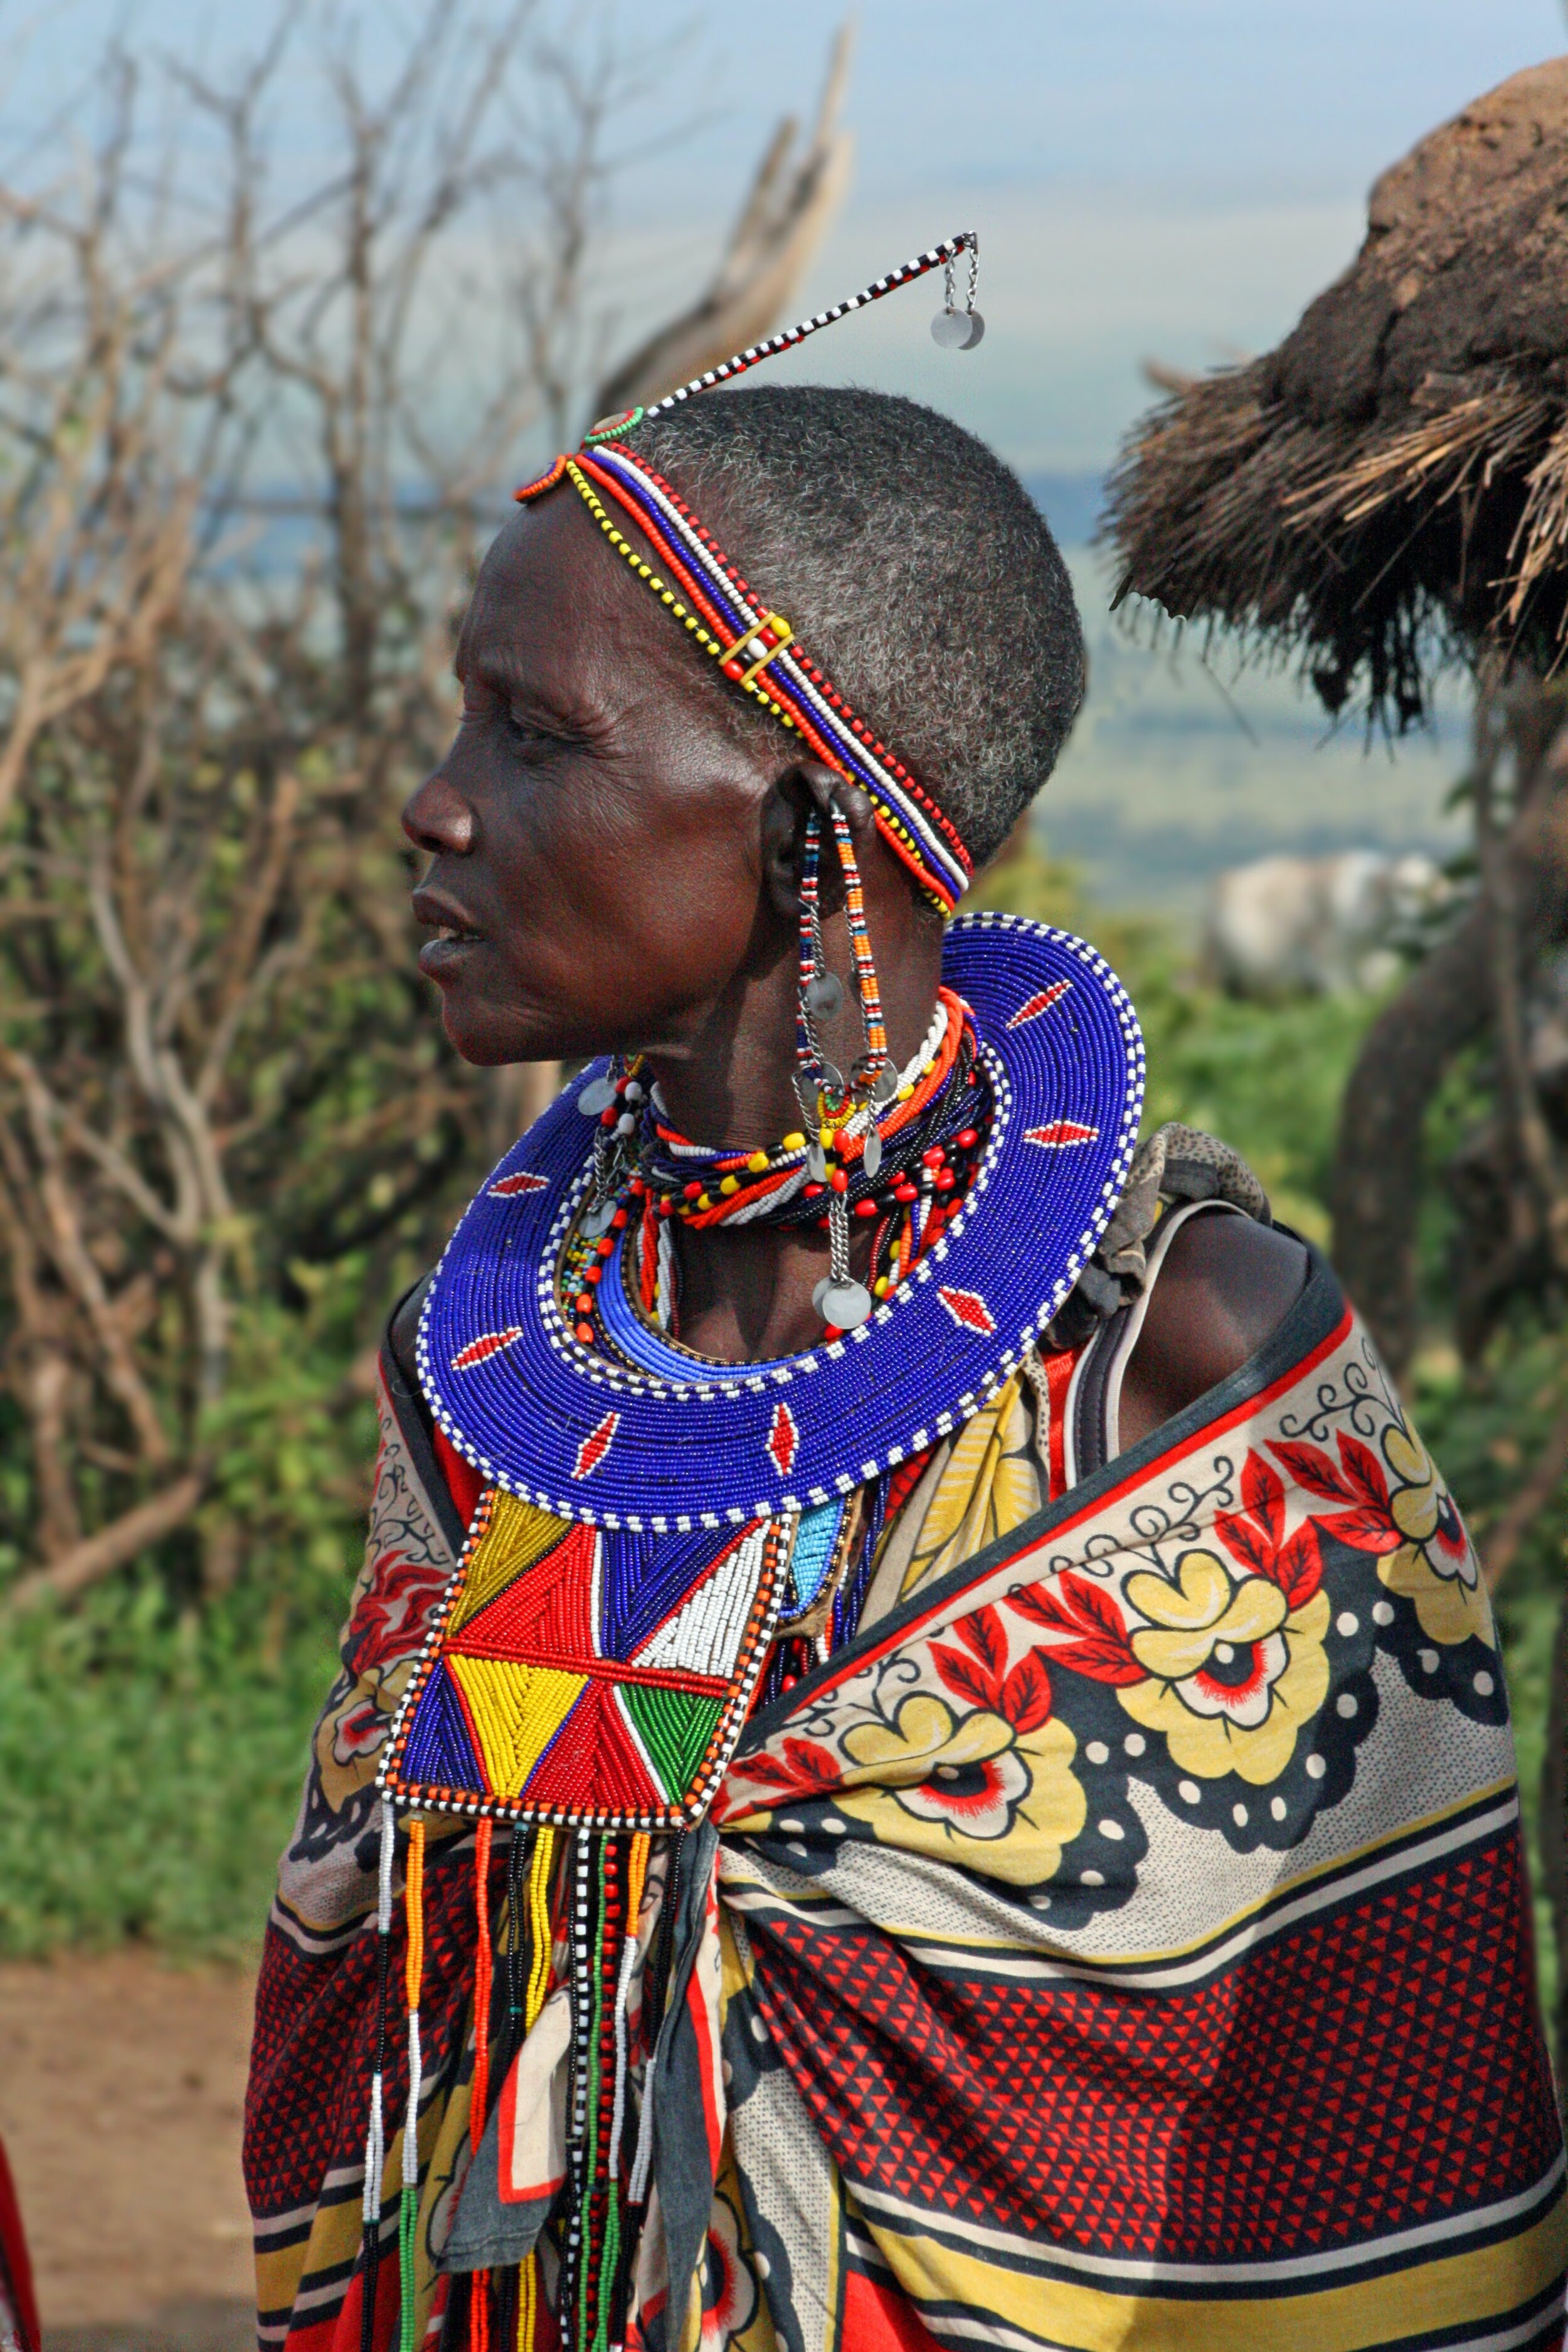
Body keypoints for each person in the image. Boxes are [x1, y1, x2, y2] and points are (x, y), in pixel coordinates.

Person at [245, 253, 1566, 2352]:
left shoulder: (1183, 1365)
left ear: (803, 829)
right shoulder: (494, 1355)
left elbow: (1361, 2098)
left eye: (533, 731)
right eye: (456, 711)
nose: (435, 800)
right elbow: (374, 1998)